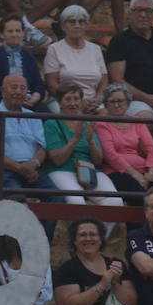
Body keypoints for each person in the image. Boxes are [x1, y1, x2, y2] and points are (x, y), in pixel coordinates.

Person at [0, 74, 58, 237]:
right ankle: (20, 247)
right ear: (2, 91)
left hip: (31, 169)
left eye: (23, 88)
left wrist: (34, 163)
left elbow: (42, 147)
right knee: (18, 201)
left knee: (57, 198)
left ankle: (42, 244)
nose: (18, 92)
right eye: (13, 87)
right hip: (3, 169)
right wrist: (20, 168)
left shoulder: (33, 116)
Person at [43, 83, 120, 216]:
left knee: (116, 203)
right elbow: (57, 160)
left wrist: (90, 141)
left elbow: (98, 161)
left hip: (88, 169)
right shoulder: (52, 123)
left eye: (76, 99)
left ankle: (96, 234)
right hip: (63, 170)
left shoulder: (87, 122)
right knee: (76, 201)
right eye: (68, 99)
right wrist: (75, 139)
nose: (73, 103)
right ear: (59, 102)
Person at [94, 84, 153, 199]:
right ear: (106, 104)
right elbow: (110, 154)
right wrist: (135, 174)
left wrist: (152, 171)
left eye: (120, 101)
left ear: (128, 102)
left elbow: (151, 148)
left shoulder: (137, 121)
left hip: (143, 170)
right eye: (112, 102)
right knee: (140, 195)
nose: (117, 105)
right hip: (118, 172)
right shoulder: (102, 124)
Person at [42, 5, 107, 113]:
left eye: (81, 22)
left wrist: (98, 99)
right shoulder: (54, 49)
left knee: (105, 114)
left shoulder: (95, 49)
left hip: (93, 101)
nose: (77, 26)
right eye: (72, 22)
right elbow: (52, 84)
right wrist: (78, 101)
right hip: (64, 100)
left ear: (86, 26)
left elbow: (104, 81)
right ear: (63, 26)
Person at [0, 15, 46, 111]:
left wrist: (34, 98)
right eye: (10, 31)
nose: (14, 34)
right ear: (2, 34)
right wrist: (14, 97)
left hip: (27, 101)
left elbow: (38, 85)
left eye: (18, 31)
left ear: (23, 33)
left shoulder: (28, 57)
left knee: (48, 118)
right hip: (0, 100)